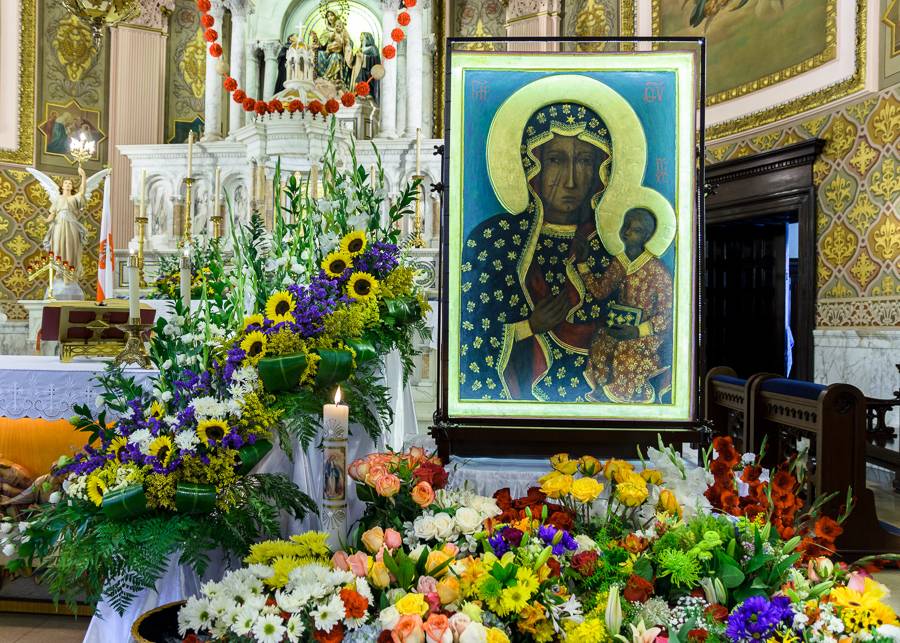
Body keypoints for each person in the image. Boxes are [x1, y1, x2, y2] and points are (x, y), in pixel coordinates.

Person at [459, 102, 616, 402]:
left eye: (584, 161)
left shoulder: (608, 251)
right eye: (556, 160)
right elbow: (470, 334)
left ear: (600, 169)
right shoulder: (494, 242)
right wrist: (528, 326)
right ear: (533, 165)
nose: (571, 180)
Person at [575, 207, 673, 403]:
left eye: (635, 230)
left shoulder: (657, 270)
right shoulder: (620, 262)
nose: (627, 232)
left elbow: (666, 315)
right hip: (623, 325)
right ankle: (604, 390)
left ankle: (622, 395)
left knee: (626, 350)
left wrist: (637, 331)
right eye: (626, 226)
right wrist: (583, 263)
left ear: (646, 236)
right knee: (602, 341)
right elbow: (600, 291)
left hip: (648, 333)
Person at [45, 166, 88, 275]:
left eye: (70, 183)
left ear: (72, 187)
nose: (68, 184)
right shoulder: (57, 199)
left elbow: (82, 191)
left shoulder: (75, 198)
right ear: (62, 186)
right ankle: (59, 272)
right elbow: (52, 213)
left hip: (71, 224)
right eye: (65, 183)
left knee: (71, 246)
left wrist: (83, 176)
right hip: (58, 224)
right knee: (57, 246)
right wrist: (46, 220)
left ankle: (70, 272)